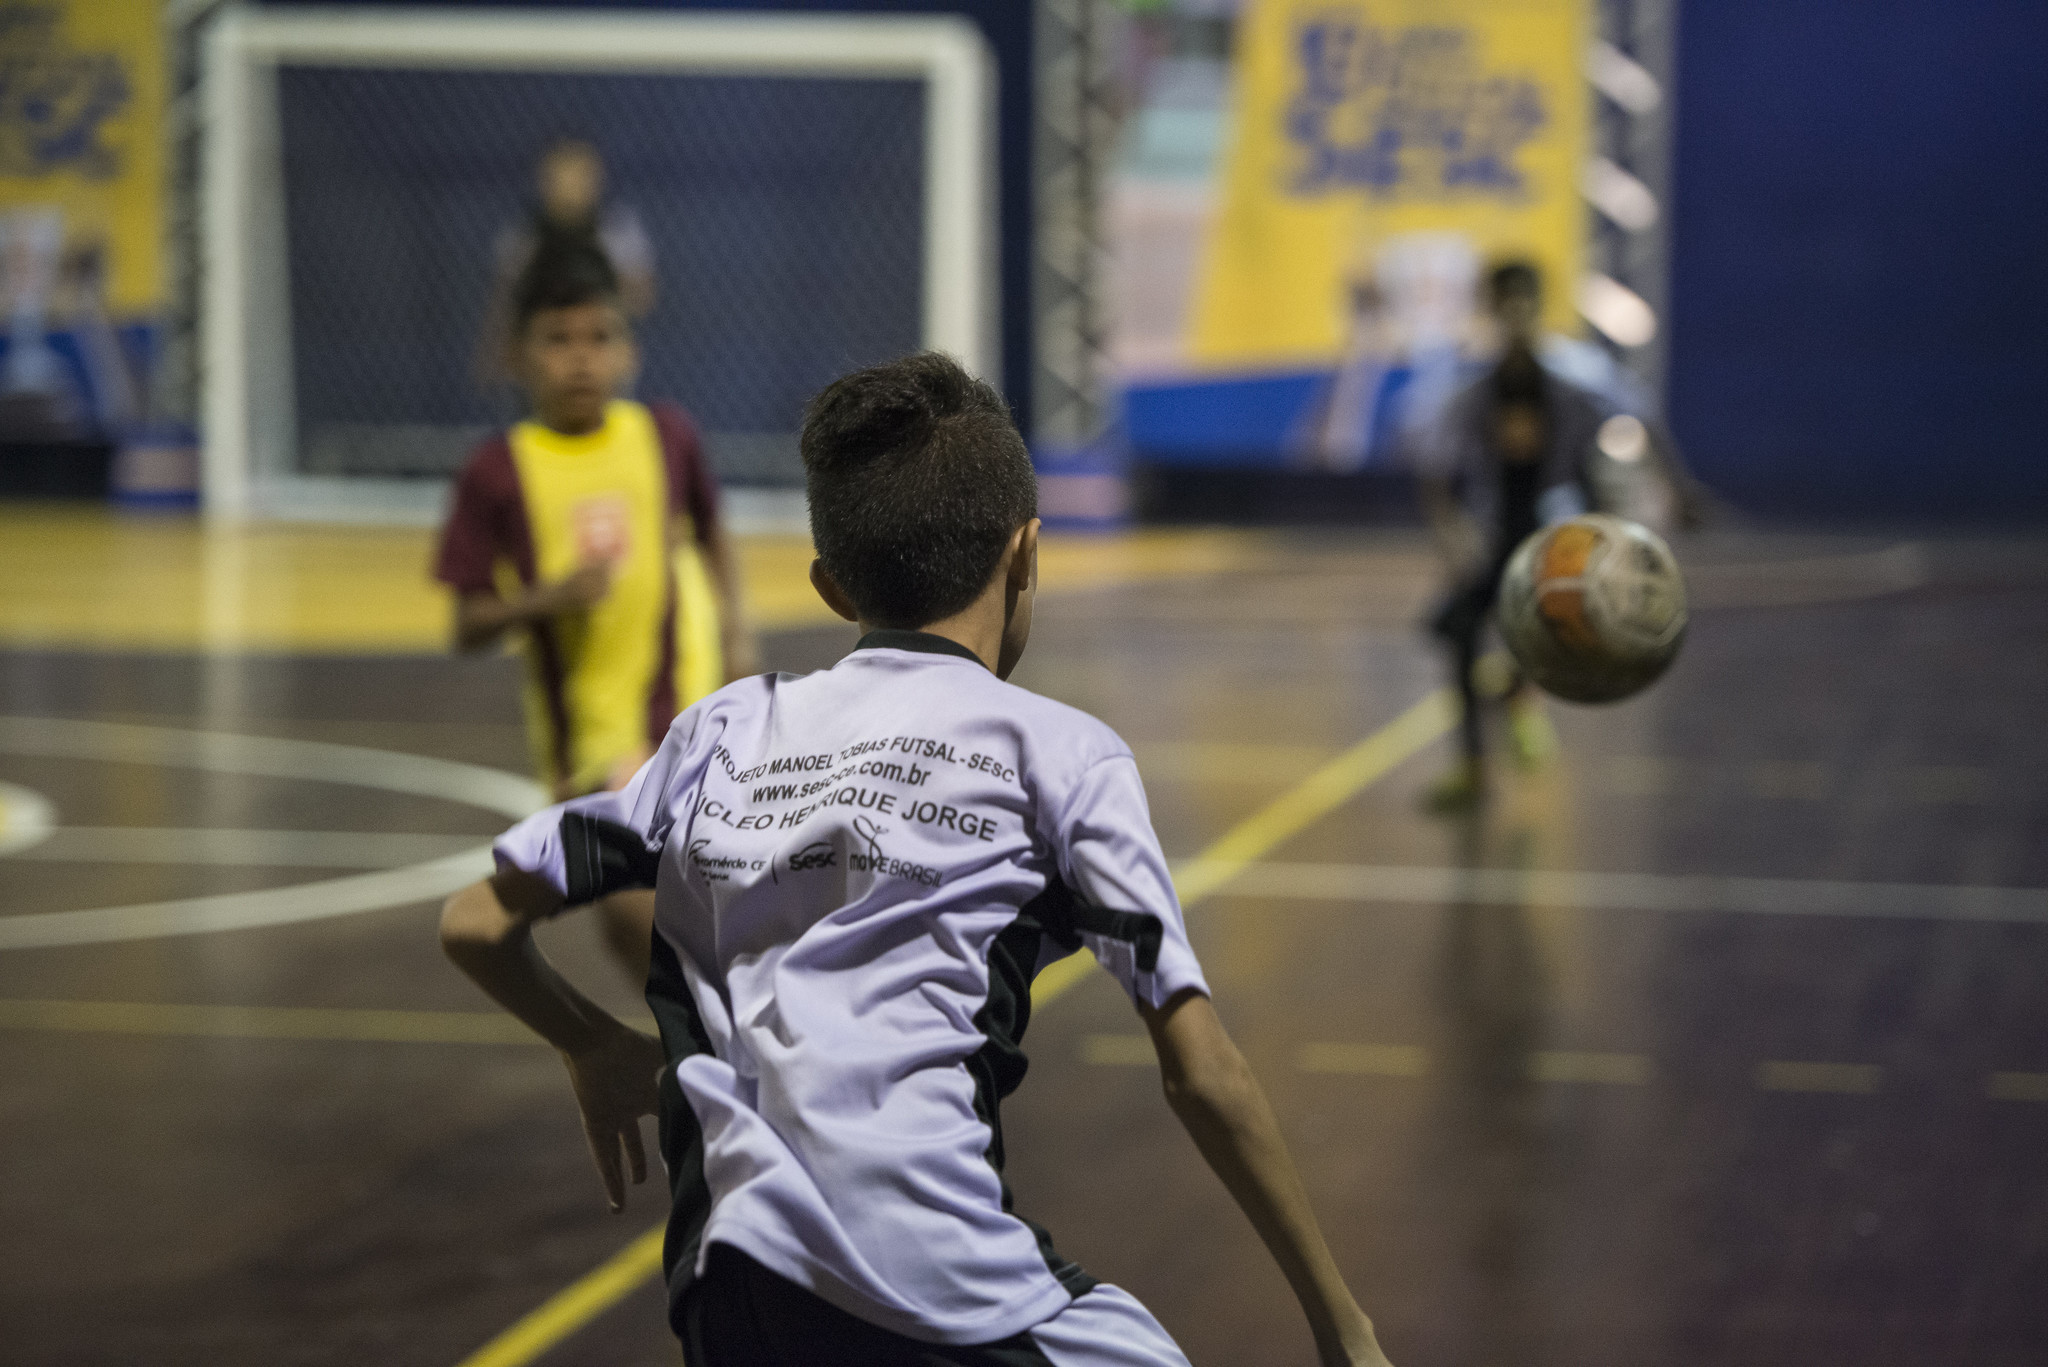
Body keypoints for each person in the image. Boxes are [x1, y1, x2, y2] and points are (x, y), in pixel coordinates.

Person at [439, 353, 1395, 1367]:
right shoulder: (1059, 757)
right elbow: (1202, 1073)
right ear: (1025, 553)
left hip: (727, 1286)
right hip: (933, 1282)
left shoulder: (720, 730)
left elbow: (475, 920)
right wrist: (1343, 1324)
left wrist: (589, 1042)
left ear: (832, 585)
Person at [434, 240, 756, 985]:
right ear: (518, 355)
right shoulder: (499, 470)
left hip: (691, 720)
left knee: (661, 936)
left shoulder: (666, 437)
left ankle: (670, 1061)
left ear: (628, 352)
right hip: (589, 748)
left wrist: (738, 633)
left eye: (599, 338)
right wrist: (546, 598)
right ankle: (679, 1059)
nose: (581, 359)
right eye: (558, 340)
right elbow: (467, 624)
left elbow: (710, 531)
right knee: (633, 933)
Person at [1413, 342, 1611, 812]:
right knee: (1455, 631)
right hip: (1493, 545)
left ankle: (1521, 696)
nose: (1518, 431)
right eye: (1510, 421)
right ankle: (1474, 766)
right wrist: (1453, 538)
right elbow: (1436, 472)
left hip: (1544, 548)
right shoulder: (1476, 400)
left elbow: (1598, 473)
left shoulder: (1566, 399)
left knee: (1545, 632)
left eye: (1527, 422)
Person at [478, 137, 656, 386]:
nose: (569, 184)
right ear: (543, 181)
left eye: (579, 174)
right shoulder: (526, 237)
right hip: (544, 367)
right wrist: (493, 356)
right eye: (560, 174)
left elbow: (640, 300)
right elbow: (504, 304)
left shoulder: (616, 231)